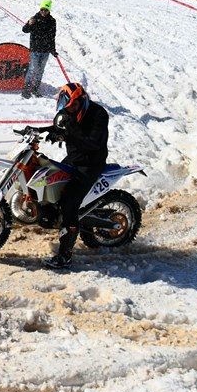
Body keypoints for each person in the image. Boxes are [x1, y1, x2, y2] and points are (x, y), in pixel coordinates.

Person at [45, 82, 110, 270]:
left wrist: (67, 135)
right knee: (50, 181)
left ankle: (65, 256)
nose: (71, 109)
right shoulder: (67, 111)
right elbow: (59, 125)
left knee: (69, 203)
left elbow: (92, 143)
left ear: (82, 100)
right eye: (67, 107)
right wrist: (41, 131)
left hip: (90, 164)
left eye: (74, 105)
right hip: (73, 159)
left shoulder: (98, 114)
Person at [21, 0, 57, 99]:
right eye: (42, 9)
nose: (43, 11)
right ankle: (26, 89)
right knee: (33, 69)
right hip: (35, 49)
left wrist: (53, 49)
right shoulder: (34, 18)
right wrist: (29, 24)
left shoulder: (52, 21)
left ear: (49, 10)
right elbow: (24, 30)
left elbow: (52, 36)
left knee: (40, 70)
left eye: (46, 10)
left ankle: (35, 89)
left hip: (45, 51)